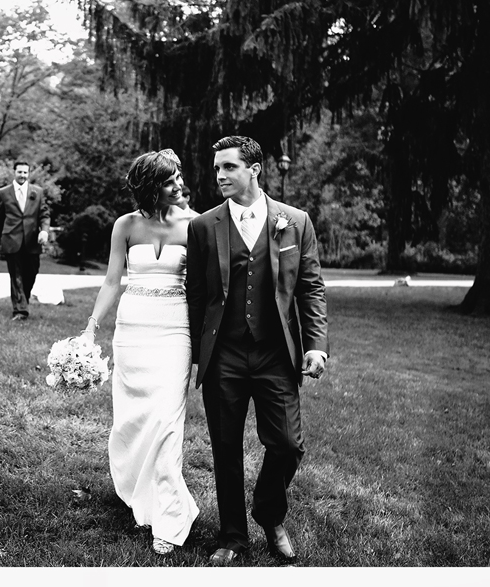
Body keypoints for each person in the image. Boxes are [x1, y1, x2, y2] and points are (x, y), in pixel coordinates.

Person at [186, 136, 329, 565]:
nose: (220, 176)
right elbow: (195, 295)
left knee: (287, 444)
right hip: (224, 354)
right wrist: (195, 353)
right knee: (225, 449)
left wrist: (317, 346)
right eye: (216, 169)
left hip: (275, 352)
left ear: (254, 170)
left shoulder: (295, 221)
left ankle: (269, 512)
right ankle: (233, 537)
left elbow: (311, 288)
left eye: (229, 167)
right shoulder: (203, 226)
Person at [79, 151, 199, 556]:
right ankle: (136, 488)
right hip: (133, 330)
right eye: (169, 180)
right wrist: (91, 326)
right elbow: (113, 281)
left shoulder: (194, 224)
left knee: (167, 421)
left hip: (174, 329)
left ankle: (168, 516)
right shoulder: (125, 226)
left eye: (179, 176)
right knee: (133, 418)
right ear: (151, 186)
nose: (178, 183)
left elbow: (204, 287)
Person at [0, 161, 50, 321]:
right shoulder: (3, 193)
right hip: (11, 239)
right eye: (20, 172)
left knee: (31, 273)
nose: (22, 175)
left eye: (25, 172)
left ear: (29, 174)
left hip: (32, 241)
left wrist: (44, 231)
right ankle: (20, 310)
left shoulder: (37, 192)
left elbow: (44, 214)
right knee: (15, 275)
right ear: (14, 172)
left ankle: (22, 299)